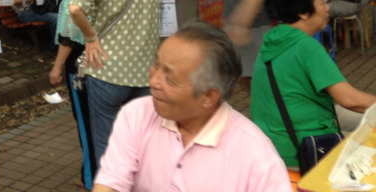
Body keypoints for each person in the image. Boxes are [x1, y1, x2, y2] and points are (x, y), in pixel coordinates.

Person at [92, 22, 292, 192]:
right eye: (156, 65)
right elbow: (111, 182)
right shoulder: (136, 115)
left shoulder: (257, 157)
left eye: (170, 78)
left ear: (208, 96)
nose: (154, 81)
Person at [251, 0, 376, 172]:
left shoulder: (273, 39)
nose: (327, 7)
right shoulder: (306, 46)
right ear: (302, 12)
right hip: (302, 149)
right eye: (322, 1)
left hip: (272, 144)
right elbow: (350, 99)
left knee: (366, 118)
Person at [69, 0, 161, 168]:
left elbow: (76, 7)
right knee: (139, 147)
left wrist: (90, 37)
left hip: (106, 71)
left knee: (109, 153)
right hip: (143, 75)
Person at [49, 0, 102, 190]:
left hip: (80, 67)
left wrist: (58, 66)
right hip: (103, 64)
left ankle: (90, 178)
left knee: (86, 123)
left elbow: (69, 38)